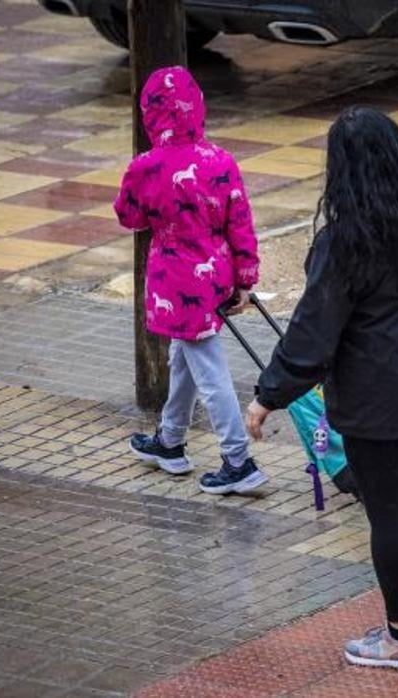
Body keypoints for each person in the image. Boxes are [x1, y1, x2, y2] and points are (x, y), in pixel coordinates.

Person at [245, 106, 398, 672]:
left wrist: (268, 395)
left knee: (385, 504)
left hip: (375, 399)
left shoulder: (347, 241)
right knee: (393, 491)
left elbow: (312, 332)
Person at [117, 66, 266, 496]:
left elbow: (128, 216)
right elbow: (240, 223)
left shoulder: (146, 166)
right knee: (184, 354)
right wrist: (245, 278)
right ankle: (170, 439)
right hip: (216, 273)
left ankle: (238, 460)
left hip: (173, 278)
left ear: (150, 114)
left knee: (209, 369)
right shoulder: (220, 160)